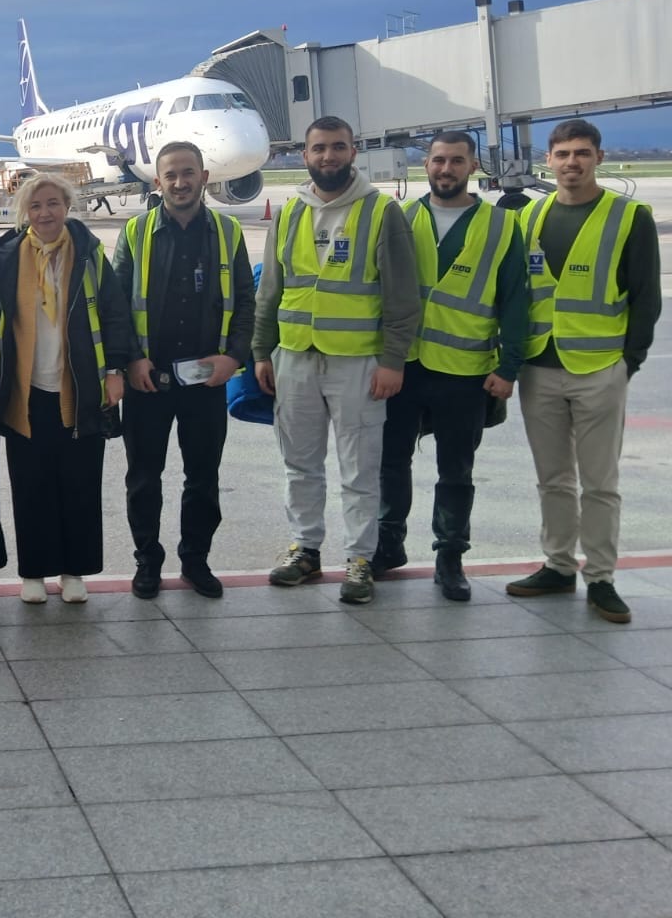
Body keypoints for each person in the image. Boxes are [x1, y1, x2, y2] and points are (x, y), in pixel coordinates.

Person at [252, 116, 420, 604]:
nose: (329, 156)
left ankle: (361, 558)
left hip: (358, 362)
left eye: (338, 148)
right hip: (295, 358)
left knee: (359, 469)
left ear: (353, 152)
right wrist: (263, 351)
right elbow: (271, 291)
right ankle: (305, 549)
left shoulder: (381, 212)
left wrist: (393, 360)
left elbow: (402, 298)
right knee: (299, 463)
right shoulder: (289, 213)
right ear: (304, 155)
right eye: (319, 148)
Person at [507, 119, 660, 623]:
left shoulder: (629, 216)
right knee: (552, 478)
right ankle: (557, 565)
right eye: (563, 154)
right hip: (540, 368)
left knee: (600, 482)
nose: (571, 162)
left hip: (600, 367)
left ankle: (601, 576)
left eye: (582, 153)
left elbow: (646, 299)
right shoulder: (529, 217)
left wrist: (628, 361)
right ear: (547, 161)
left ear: (598, 158)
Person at [374, 132, 528, 601]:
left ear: (473, 167)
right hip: (405, 366)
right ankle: (388, 544)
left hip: (465, 370)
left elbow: (517, 300)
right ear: (426, 166)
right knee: (390, 462)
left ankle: (450, 556)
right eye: (438, 160)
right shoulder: (400, 218)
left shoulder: (502, 225)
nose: (446, 169)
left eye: (456, 161)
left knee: (456, 469)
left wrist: (510, 366)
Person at [113, 141, 254, 600]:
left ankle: (195, 560)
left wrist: (235, 357)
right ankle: (147, 561)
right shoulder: (135, 232)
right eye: (170, 175)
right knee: (143, 478)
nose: (180, 182)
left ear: (204, 177)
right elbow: (116, 306)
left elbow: (247, 304)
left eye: (188, 172)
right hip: (148, 379)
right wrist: (131, 360)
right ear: (158, 182)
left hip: (206, 379)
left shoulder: (228, 232)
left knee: (203, 477)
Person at [0, 173, 129, 602]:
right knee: (30, 485)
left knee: (80, 482)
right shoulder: (5, 255)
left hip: (80, 387)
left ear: (67, 206)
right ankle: (33, 572)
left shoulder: (88, 254)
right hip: (24, 390)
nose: (44, 213)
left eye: (52, 204)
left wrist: (115, 370)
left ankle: (74, 571)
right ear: (24, 212)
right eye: (36, 206)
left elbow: (114, 312)